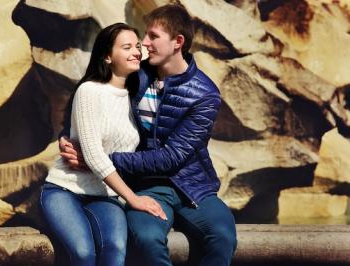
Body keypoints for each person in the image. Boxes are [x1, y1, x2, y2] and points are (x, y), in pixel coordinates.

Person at [60, 4, 237, 266]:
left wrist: (103, 159)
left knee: (222, 237)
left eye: (153, 36)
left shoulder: (204, 94)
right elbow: (93, 99)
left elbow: (172, 157)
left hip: (193, 186)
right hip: (144, 185)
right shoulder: (136, 75)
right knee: (146, 238)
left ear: (178, 42)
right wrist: (69, 138)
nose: (144, 44)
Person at [40, 22, 167, 266]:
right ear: (107, 56)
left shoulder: (134, 97)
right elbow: (94, 154)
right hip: (65, 190)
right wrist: (133, 199)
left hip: (106, 195)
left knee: (115, 251)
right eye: (127, 47)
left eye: (138, 47)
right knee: (83, 253)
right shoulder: (90, 91)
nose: (136, 52)